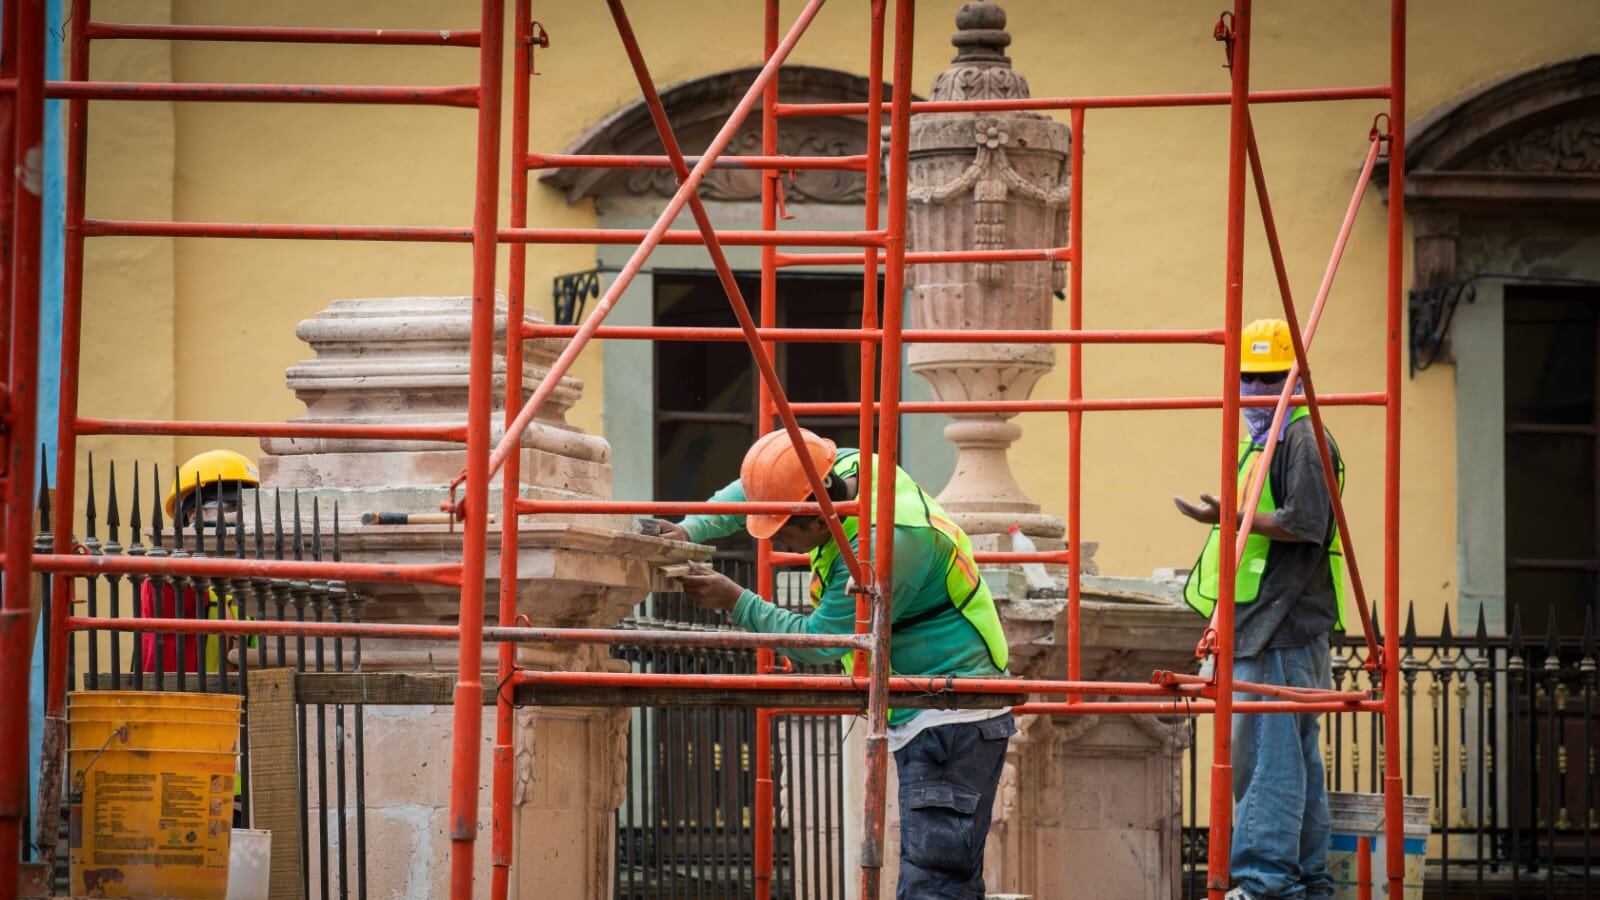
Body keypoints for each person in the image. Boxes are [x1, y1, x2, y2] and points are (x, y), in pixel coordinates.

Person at [650, 428, 1014, 899]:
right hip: (931, 707)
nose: (776, 538)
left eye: (783, 530)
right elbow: (757, 489)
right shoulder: (837, 468)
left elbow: (822, 642)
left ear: (817, 517)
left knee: (935, 879)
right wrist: (691, 528)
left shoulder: (889, 544)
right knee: (940, 873)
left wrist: (734, 601)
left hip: (949, 715)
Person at [1174, 318, 1347, 900]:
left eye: (1268, 380)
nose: (1254, 391)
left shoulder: (1302, 436)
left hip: (1282, 627)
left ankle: (1266, 883)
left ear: (1295, 384)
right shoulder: (1269, 439)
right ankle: (1302, 880)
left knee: (1268, 761)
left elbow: (1305, 521)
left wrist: (1226, 515)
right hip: (1268, 624)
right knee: (1291, 759)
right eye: (1247, 379)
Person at [140, 448, 259, 675]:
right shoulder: (168, 578)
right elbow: (175, 583)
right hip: (184, 705)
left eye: (248, 509)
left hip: (241, 704)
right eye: (231, 508)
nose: (241, 519)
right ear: (193, 516)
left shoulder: (253, 577)